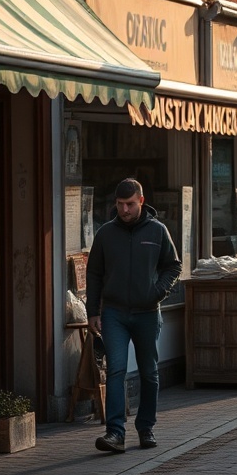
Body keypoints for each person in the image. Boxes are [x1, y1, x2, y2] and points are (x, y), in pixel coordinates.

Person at [86, 178, 182, 453]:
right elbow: (93, 273)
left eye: (129, 204)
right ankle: (115, 433)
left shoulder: (158, 231)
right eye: (119, 204)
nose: (124, 210)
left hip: (148, 313)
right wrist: (93, 312)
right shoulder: (105, 234)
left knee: (149, 373)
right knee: (116, 369)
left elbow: (173, 267)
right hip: (114, 312)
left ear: (141, 201)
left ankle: (146, 428)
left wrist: (157, 292)